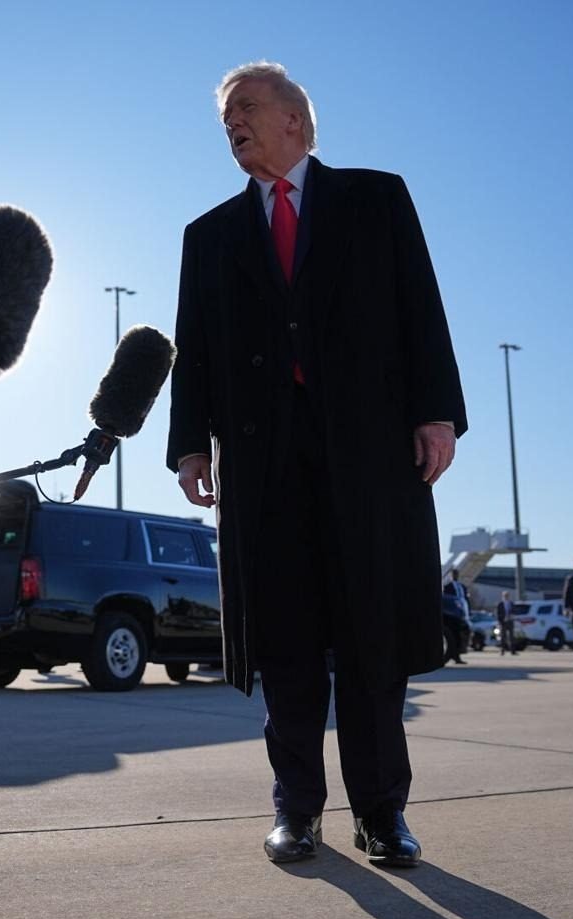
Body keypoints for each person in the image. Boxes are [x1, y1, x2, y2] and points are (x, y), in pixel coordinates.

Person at [167, 62, 466, 869]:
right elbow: (195, 348)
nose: (232, 124)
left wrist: (437, 412)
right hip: (264, 463)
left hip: (368, 455)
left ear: (295, 118)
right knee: (287, 644)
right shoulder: (209, 235)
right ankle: (296, 811)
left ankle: (381, 814)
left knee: (373, 639)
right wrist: (189, 443)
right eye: (225, 118)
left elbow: (421, 306)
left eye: (245, 108)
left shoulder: (377, 198)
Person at [443, 570, 470, 665]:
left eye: (456, 574)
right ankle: (454, 656)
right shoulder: (447, 587)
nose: (455, 576)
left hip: (461, 613)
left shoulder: (462, 587)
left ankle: (457, 656)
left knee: (459, 635)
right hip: (451, 614)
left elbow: (466, 600)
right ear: (451, 576)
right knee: (453, 635)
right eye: (453, 574)